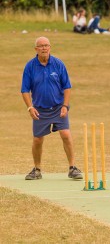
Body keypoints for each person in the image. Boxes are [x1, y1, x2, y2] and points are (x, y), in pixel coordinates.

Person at [21, 36, 83, 180]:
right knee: (37, 140)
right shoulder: (30, 66)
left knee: (66, 135)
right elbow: (24, 90)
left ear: (50, 47)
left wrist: (65, 106)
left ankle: (72, 168)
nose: (44, 48)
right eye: (41, 46)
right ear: (36, 49)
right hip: (39, 109)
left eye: (46, 45)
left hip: (58, 107)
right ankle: (37, 170)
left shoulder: (58, 64)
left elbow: (67, 87)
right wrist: (30, 107)